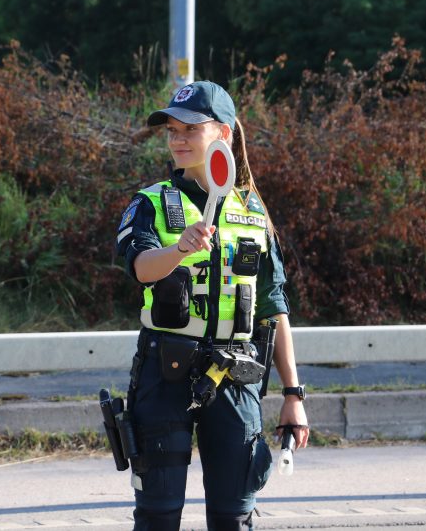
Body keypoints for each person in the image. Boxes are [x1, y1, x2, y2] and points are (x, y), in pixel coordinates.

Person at [115, 80, 309, 530]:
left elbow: (273, 306)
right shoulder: (151, 203)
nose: (177, 139)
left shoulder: (253, 212)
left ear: (222, 133)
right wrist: (179, 249)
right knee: (158, 518)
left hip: (236, 376)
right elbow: (141, 267)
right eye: (171, 131)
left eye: (189, 129)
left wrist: (293, 395)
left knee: (234, 520)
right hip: (165, 374)